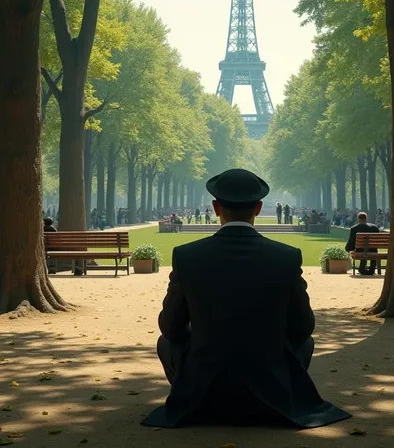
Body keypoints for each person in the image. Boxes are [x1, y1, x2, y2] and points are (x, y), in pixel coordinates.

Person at [142, 168, 350, 430]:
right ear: (259, 207)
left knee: (166, 342)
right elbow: (302, 330)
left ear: (216, 207)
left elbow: (170, 328)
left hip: (206, 379)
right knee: (305, 343)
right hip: (270, 380)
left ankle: (195, 397)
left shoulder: (187, 256)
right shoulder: (286, 257)